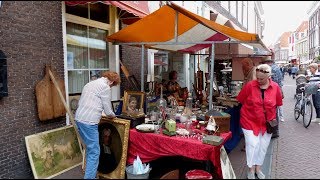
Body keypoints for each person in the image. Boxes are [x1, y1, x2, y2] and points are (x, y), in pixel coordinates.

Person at [236, 64, 283, 179]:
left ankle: (258, 168)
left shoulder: (275, 87)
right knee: (253, 144)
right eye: (257, 78)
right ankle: (251, 169)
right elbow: (240, 99)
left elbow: (278, 103)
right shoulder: (249, 86)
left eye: (261, 79)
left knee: (263, 146)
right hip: (249, 121)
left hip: (267, 123)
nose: (259, 80)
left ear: (269, 77)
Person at [75, 71, 121, 179]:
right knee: (95, 153)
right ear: (112, 81)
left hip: (79, 118)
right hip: (89, 122)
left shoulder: (89, 84)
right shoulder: (104, 87)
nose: (111, 86)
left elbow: (92, 103)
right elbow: (108, 109)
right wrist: (114, 116)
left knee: (89, 149)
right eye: (112, 84)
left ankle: (89, 174)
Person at [262, 56, 284, 139]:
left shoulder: (267, 69)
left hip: (270, 91)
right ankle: (275, 130)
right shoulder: (277, 68)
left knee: (271, 111)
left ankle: (272, 130)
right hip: (276, 90)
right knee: (275, 111)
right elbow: (280, 81)